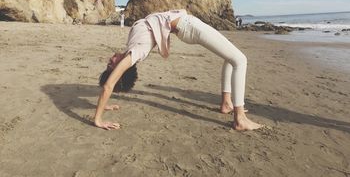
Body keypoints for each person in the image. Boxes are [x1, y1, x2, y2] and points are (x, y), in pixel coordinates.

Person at [94, 9, 262, 131]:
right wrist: (99, 120)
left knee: (230, 58)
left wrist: (106, 104)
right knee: (240, 60)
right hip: (190, 27)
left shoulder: (131, 47)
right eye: (111, 65)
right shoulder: (138, 51)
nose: (110, 60)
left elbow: (112, 85)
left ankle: (226, 103)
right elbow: (109, 85)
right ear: (120, 70)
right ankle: (240, 118)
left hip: (187, 26)